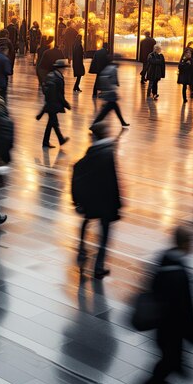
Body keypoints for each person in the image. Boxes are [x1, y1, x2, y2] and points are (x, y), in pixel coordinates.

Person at [140, 227, 193, 384]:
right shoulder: (179, 272)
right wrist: (192, 333)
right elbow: (186, 306)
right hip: (173, 328)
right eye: (191, 242)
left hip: (162, 327)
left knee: (169, 360)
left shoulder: (164, 259)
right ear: (185, 244)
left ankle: (165, 377)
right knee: (168, 362)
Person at [72, 122, 121, 279]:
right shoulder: (107, 152)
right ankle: (98, 266)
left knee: (87, 221)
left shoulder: (93, 152)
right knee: (105, 233)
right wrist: (117, 204)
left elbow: (77, 169)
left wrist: (78, 199)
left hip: (92, 198)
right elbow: (113, 180)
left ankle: (81, 248)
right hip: (106, 200)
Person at [37, 59, 71, 148]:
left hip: (50, 103)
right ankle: (59, 140)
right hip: (53, 104)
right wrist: (66, 104)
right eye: (64, 68)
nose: (65, 70)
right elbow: (59, 94)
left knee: (52, 123)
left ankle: (56, 140)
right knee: (53, 123)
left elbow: (44, 89)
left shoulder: (51, 75)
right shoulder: (58, 78)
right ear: (60, 68)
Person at [92, 55, 130, 127]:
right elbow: (111, 80)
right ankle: (94, 123)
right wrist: (112, 90)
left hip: (109, 91)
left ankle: (122, 122)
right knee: (107, 109)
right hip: (110, 92)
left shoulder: (110, 67)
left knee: (113, 107)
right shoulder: (113, 68)